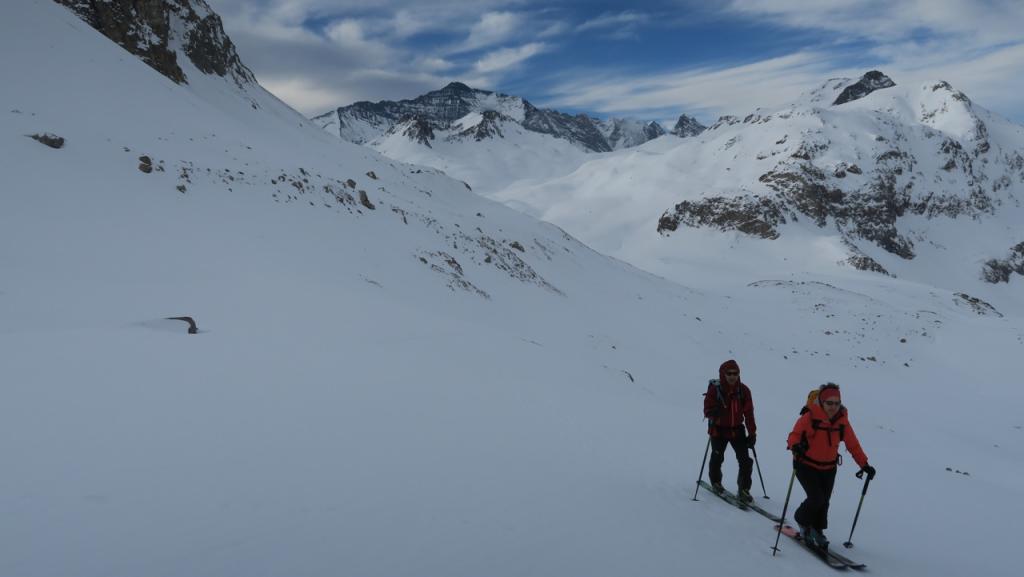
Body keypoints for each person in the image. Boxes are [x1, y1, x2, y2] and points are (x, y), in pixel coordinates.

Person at [787, 383, 876, 550]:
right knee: (816, 498)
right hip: (805, 465)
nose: (833, 407)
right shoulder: (809, 417)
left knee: (824, 501)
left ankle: (817, 529)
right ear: (821, 402)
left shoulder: (842, 421)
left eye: (837, 403)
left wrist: (864, 464)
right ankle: (802, 520)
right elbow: (794, 435)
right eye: (829, 403)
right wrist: (795, 446)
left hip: (828, 468)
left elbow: (853, 445)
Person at [703, 359, 756, 502]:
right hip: (718, 430)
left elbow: (749, 413)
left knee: (745, 461)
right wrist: (712, 412)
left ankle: (744, 490)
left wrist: (752, 433)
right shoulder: (715, 390)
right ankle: (716, 482)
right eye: (729, 373)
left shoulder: (743, 391)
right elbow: (706, 409)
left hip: (737, 430)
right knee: (717, 457)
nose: (732, 376)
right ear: (723, 374)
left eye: (735, 373)